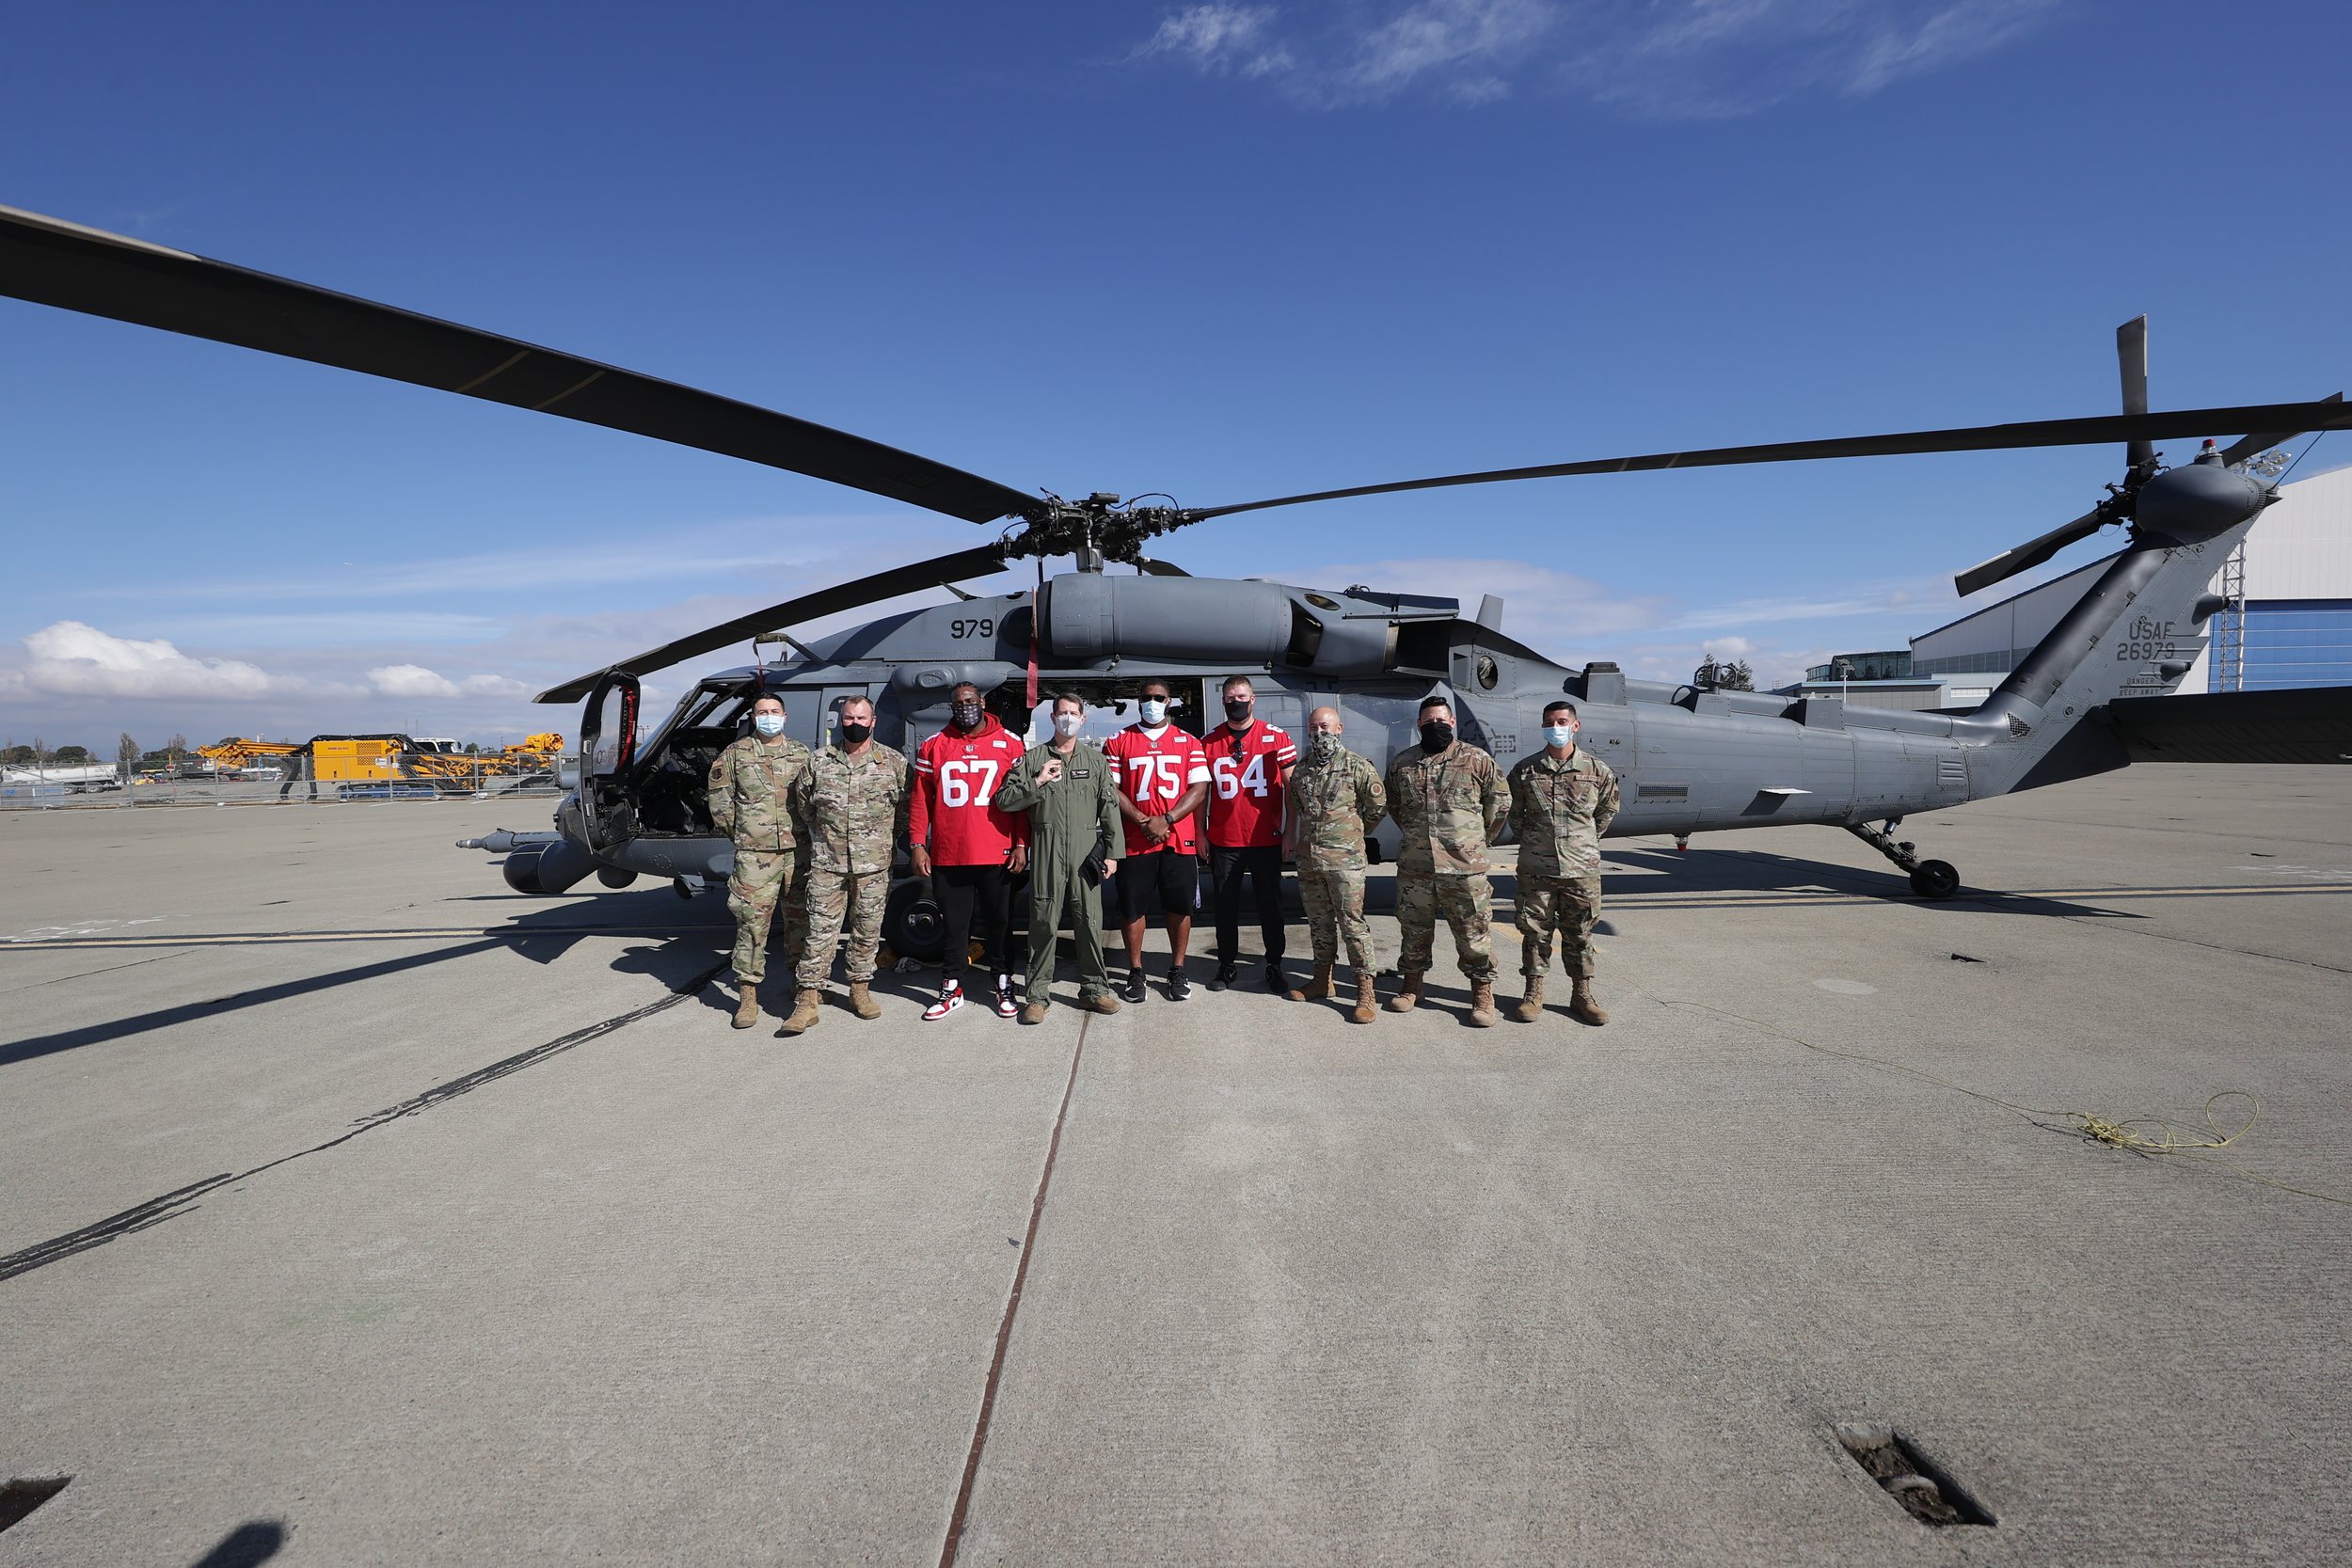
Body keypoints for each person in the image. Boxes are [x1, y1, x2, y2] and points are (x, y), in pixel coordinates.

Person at [780, 694, 909, 1034]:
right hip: (828, 863)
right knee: (819, 932)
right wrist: (829, 836)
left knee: (867, 931)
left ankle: (859, 990)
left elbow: (905, 809)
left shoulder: (893, 762)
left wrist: (881, 840)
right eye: (849, 718)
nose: (855, 724)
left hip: (873, 865)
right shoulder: (819, 761)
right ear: (841, 721)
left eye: (861, 718)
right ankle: (807, 999)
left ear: (873, 722)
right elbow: (805, 807)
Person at [993, 692, 1124, 1022]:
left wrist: (1113, 853)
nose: (1068, 718)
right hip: (1046, 848)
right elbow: (1004, 800)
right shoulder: (1033, 759)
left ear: (1083, 719)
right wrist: (1038, 780)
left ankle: (1094, 989)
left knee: (1089, 921)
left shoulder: (1095, 762)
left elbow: (1109, 808)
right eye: (1062, 713)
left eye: (1073, 713)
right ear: (1052, 718)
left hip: (1084, 850)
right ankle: (1037, 996)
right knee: (1043, 922)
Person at [1384, 695, 1508, 1026]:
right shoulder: (1403, 764)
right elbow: (1395, 806)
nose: (1434, 725)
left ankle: (1482, 994)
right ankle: (1412, 985)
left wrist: (1474, 841)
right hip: (1417, 866)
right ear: (1418, 725)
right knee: (1414, 930)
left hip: (1464, 867)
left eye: (1441, 720)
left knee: (1473, 933)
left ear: (1452, 723)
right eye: (1428, 722)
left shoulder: (1476, 760)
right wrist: (1418, 836)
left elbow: (1499, 803)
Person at [909, 683, 1030, 1020]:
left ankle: (1003, 982)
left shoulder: (1010, 742)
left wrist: (1021, 844)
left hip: (997, 852)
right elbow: (921, 800)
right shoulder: (934, 744)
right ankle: (952, 987)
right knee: (954, 926)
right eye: (958, 703)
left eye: (970, 701)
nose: (965, 708)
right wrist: (918, 843)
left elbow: (1022, 801)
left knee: (1000, 924)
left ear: (982, 702)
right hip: (951, 854)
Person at [1507, 697, 1620, 1025]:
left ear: (1575, 725)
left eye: (1561, 722)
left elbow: (1606, 813)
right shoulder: (1525, 771)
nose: (1555, 728)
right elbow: (1515, 816)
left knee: (1580, 932)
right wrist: (1537, 843)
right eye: (1549, 723)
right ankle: (1533, 993)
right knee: (1534, 932)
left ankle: (1582, 994)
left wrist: (1580, 844)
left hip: (1581, 869)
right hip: (1537, 868)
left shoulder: (1597, 770)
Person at [707, 691, 814, 1030]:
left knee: (801, 921)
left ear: (785, 716)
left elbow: (813, 800)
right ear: (753, 718)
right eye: (762, 712)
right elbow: (721, 806)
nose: (769, 717)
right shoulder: (735, 754)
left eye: (774, 711)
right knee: (751, 925)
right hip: (755, 857)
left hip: (798, 853)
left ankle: (801, 986)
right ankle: (748, 996)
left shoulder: (801, 754)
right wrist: (748, 837)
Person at [1103, 678, 1211, 1002]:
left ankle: (1177, 969)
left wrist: (1167, 819)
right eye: (1147, 697)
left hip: (1178, 839)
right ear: (1139, 701)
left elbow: (1199, 789)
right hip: (1135, 840)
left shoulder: (1189, 742)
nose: (1152, 702)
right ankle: (1136, 971)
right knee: (1133, 908)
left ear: (1169, 701)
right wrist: (1142, 820)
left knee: (1179, 906)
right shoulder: (1119, 740)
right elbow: (1111, 789)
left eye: (1159, 697)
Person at [1281, 705, 1386, 1022]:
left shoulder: (1357, 766)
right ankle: (1322, 980)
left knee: (1352, 925)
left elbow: (1377, 807)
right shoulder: (1302, 770)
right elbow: (1299, 806)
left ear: (1339, 729)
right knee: (1319, 923)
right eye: (1314, 728)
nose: (1319, 733)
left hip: (1345, 862)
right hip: (1310, 860)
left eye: (1325, 727)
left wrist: (1352, 834)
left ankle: (1365, 991)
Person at [1204, 675, 1298, 993]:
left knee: (1271, 907)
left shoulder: (1277, 737)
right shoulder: (1208, 742)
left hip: (1266, 838)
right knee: (1225, 906)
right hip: (1224, 840)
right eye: (1231, 698)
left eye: (1241, 696)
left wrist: (1289, 831)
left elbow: (1291, 789)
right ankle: (1226, 963)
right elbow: (1201, 793)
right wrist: (1201, 834)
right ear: (1223, 701)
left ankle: (1275, 964)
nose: (1236, 702)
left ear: (1253, 698)